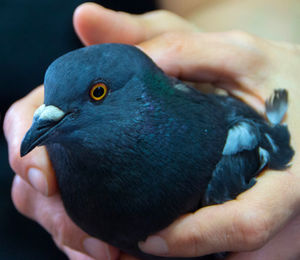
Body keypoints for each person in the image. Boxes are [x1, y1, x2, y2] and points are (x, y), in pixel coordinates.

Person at [4, 3, 300, 260]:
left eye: (98, 93)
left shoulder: (228, 146)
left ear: (145, 96)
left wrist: (233, 55)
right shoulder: (58, 144)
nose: (45, 123)